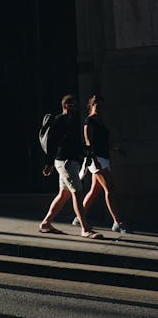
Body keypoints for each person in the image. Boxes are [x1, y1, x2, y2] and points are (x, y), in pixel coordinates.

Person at [39, 94, 103, 239]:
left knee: (64, 195)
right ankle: (85, 229)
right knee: (77, 193)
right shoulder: (60, 119)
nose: (77, 107)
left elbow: (72, 144)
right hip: (64, 162)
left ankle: (46, 223)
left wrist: (86, 153)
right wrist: (49, 163)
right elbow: (52, 142)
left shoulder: (71, 121)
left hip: (69, 162)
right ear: (66, 105)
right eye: (74, 104)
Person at [72, 94, 130, 233]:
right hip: (96, 159)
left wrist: (117, 149)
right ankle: (117, 222)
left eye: (102, 106)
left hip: (104, 158)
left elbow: (105, 142)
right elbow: (88, 142)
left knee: (95, 190)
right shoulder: (89, 121)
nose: (100, 108)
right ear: (92, 105)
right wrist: (95, 160)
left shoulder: (100, 121)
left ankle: (78, 218)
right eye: (98, 105)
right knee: (109, 189)